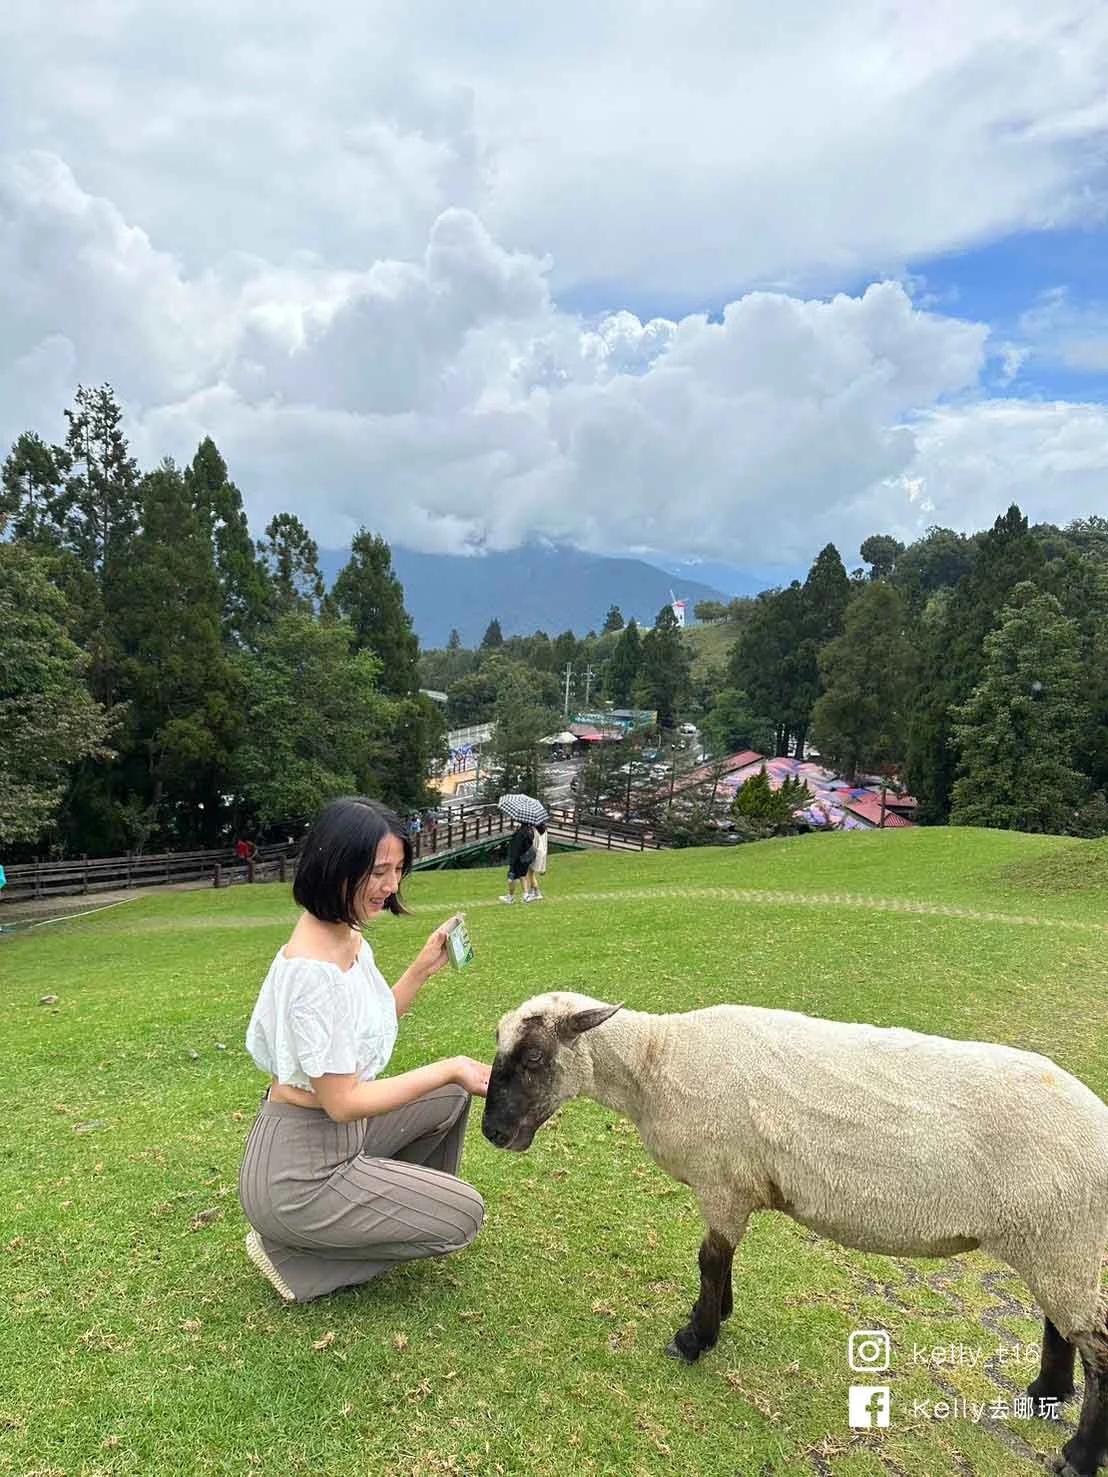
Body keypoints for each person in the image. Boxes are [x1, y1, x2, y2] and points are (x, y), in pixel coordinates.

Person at [238, 795, 490, 1304]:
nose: (391, 886)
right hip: (298, 1175)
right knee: (462, 1219)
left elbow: (358, 1035)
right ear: (337, 867)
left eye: (398, 870)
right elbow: (343, 1100)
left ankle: (385, 1211)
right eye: (378, 872)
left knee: (451, 1099)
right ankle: (296, 1256)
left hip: (342, 1140)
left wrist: (419, 970)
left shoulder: (347, 936)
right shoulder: (313, 970)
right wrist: (449, 1067)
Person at [499, 821, 534, 905]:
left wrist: (512, 860)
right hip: (526, 857)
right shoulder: (530, 831)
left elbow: (516, 848)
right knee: (523, 876)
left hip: (518, 858)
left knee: (512, 877)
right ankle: (526, 895)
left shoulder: (520, 833)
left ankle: (510, 897)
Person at [524, 821, 548, 901]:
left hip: (535, 854)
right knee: (531, 873)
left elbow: (533, 844)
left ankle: (537, 893)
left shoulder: (535, 832)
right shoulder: (544, 831)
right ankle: (532, 892)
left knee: (530, 874)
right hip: (540, 854)